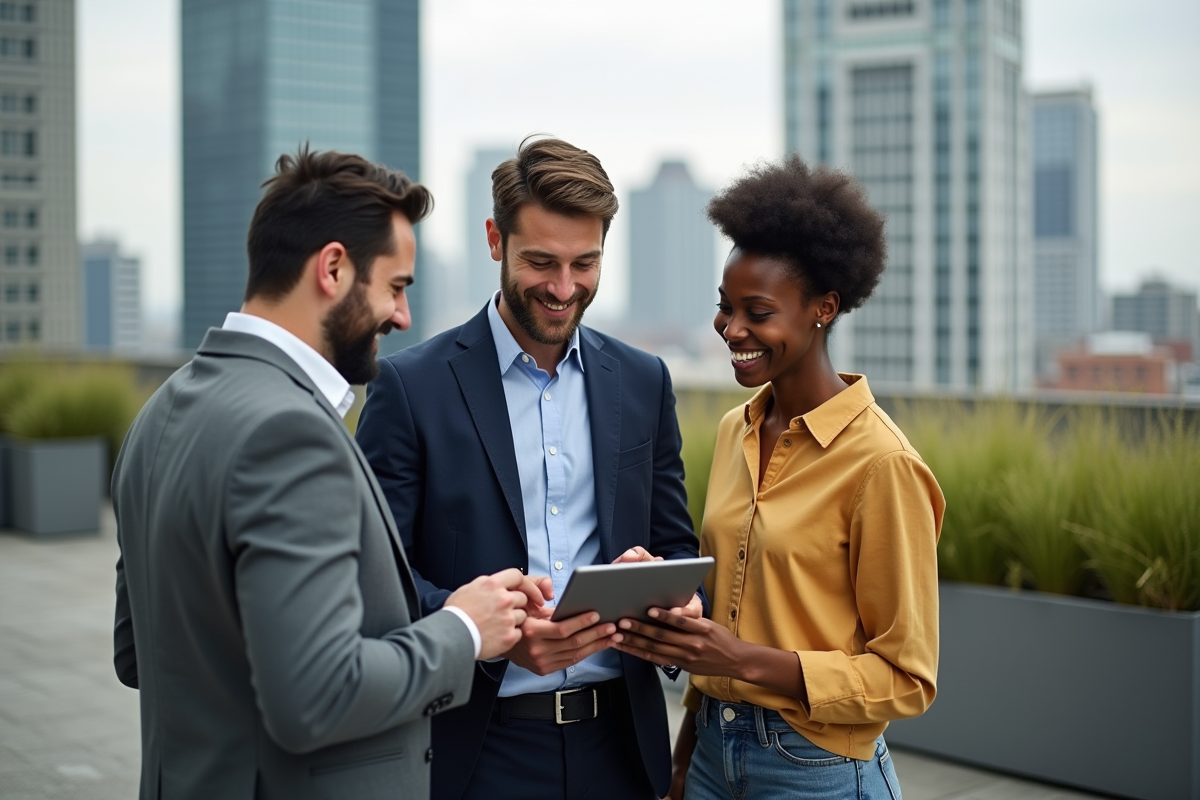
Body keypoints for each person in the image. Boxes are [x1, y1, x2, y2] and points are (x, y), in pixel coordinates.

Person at [112, 147, 543, 800]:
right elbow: (316, 696)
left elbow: (138, 653)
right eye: (396, 287)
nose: (401, 317)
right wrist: (462, 630)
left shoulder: (162, 409)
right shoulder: (290, 435)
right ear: (334, 268)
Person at [354, 136, 703, 800]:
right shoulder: (409, 388)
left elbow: (677, 546)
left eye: (586, 263)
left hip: (620, 751)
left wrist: (677, 600)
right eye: (541, 262)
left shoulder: (643, 381)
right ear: (495, 239)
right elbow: (377, 578)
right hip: (475, 750)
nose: (564, 288)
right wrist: (491, 639)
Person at [611, 156, 945, 800]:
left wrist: (738, 659)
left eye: (756, 312)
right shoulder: (739, 428)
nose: (732, 330)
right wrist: (685, 760)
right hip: (711, 750)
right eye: (724, 307)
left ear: (824, 308)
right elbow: (728, 615)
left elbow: (908, 678)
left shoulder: (883, 465)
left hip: (816, 769)